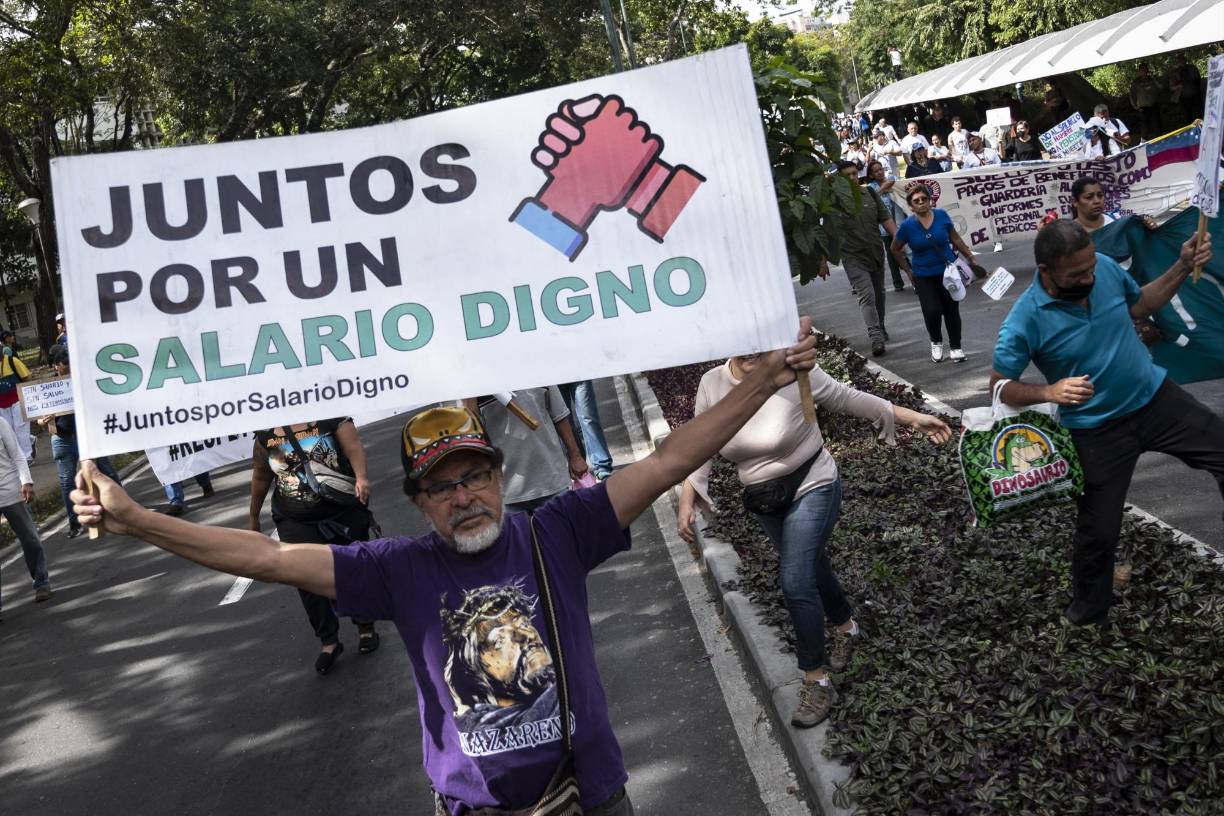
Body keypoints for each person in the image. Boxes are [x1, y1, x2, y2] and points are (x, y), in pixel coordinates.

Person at [69, 322, 823, 815]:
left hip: (589, 796)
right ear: (420, 503)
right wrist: (136, 519)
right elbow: (267, 556)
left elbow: (665, 461)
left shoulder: (557, 530)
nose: (465, 497)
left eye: (476, 477)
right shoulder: (397, 569)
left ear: (498, 477)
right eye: (443, 486)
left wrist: (764, 379)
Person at [677, 356, 950, 728]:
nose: (749, 351)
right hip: (765, 498)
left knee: (795, 578)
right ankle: (847, 628)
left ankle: (816, 679)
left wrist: (910, 417)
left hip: (815, 482)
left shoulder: (793, 368)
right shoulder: (712, 383)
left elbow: (844, 396)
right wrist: (687, 497)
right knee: (810, 566)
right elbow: (701, 442)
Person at [989, 221, 1219, 625]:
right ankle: (1086, 614)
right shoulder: (1025, 318)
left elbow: (1141, 304)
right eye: (1077, 274)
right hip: (1096, 432)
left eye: (1091, 266)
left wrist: (1183, 265)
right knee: (1098, 531)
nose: (1089, 277)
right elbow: (1000, 386)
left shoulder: (1107, 270)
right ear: (1046, 270)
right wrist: (1048, 391)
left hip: (1156, 399)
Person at [250, 417, 379, 673]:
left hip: (342, 512)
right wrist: (253, 517)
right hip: (294, 520)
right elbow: (260, 478)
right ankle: (328, 641)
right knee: (306, 580)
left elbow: (354, 448)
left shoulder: (331, 417)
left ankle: (365, 626)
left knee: (353, 569)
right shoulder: (265, 434)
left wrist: (361, 477)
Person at [37, 344, 123, 539]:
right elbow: (39, 419)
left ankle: (124, 509)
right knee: (67, 481)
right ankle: (75, 523)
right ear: (56, 366)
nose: (68, 366)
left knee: (106, 470)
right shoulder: (46, 389)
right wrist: (45, 420)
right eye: (65, 363)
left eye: (70, 362)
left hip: (87, 435)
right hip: (62, 439)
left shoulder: (82, 382)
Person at [891, 184, 981, 363]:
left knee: (951, 310)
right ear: (911, 206)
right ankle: (936, 342)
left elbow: (954, 237)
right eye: (916, 201)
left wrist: (969, 256)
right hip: (923, 275)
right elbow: (895, 249)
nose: (921, 203)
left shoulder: (942, 216)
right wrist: (907, 270)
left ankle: (956, 347)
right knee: (932, 311)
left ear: (929, 200)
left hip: (948, 272)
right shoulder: (907, 226)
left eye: (924, 199)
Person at [821, 161, 900, 357]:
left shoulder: (870, 193)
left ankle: (880, 326)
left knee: (879, 294)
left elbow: (886, 218)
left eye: (855, 174)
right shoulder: (832, 202)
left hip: (875, 252)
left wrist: (900, 241)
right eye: (847, 175)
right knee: (867, 295)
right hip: (852, 256)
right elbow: (823, 233)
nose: (852, 178)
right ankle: (876, 337)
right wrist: (821, 261)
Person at [479, 386, 588, 514]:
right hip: (507, 494)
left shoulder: (537, 370)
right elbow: (473, 436)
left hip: (553, 481)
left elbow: (560, 415)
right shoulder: (474, 385)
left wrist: (575, 456)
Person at [0, 414, 51, 616]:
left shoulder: (1, 422)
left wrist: (26, 481)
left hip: (11, 490)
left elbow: (17, 454)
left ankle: (41, 583)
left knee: (31, 540)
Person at [866, 160, 907, 292]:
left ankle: (915, 275)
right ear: (871, 175)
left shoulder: (892, 179)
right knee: (891, 253)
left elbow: (904, 189)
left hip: (901, 222)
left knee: (907, 250)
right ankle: (897, 282)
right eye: (876, 171)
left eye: (881, 169)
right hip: (885, 227)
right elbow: (872, 202)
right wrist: (883, 189)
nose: (879, 172)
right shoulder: (871, 187)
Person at [1069, 176, 1158, 234]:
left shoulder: (1119, 221)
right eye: (1089, 197)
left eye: (1100, 195)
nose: (1097, 201)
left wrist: (1149, 228)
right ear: (1075, 202)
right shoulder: (1070, 235)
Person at [563, 381, 614, 480]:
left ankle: (602, 466)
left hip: (578, 372)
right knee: (566, 422)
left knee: (587, 416)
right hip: (553, 379)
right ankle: (579, 467)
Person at [0, 330, 32, 463]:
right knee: (9, 431)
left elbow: (27, 377)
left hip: (17, 400)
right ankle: (28, 443)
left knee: (20, 427)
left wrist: (27, 396)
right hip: (1, 404)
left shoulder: (12, 361)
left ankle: (27, 455)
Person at [1129, 63, 1163, 141]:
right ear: (1139, 71)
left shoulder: (1152, 79)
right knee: (1145, 127)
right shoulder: (1136, 82)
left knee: (1157, 125)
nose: (1144, 71)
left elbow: (1161, 87)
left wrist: (1154, 78)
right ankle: (1144, 142)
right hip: (1143, 108)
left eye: (1146, 69)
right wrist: (1135, 106)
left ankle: (1160, 140)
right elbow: (1132, 95)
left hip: (1154, 105)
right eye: (1142, 70)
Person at [1171, 54, 1202, 124]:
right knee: (1187, 118)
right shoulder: (1175, 72)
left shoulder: (1192, 68)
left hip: (1195, 96)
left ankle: (1201, 130)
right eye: (1179, 60)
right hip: (1183, 98)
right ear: (1177, 61)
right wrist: (1178, 86)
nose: (1181, 61)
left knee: (1199, 115)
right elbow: (1172, 87)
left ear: (1185, 59)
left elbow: (1198, 80)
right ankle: (1190, 132)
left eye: (1182, 59)